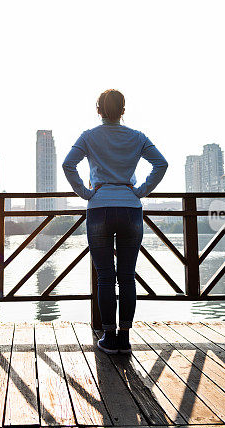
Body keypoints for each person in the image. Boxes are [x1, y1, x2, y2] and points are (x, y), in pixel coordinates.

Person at [62, 89, 168, 354]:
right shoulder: (137, 137)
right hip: (130, 208)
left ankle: (109, 337)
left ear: (98, 110)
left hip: (100, 208)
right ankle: (124, 337)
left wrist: (85, 193)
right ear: (123, 110)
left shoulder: (89, 137)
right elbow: (161, 164)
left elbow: (68, 165)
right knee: (127, 276)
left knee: (106, 277)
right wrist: (141, 190)